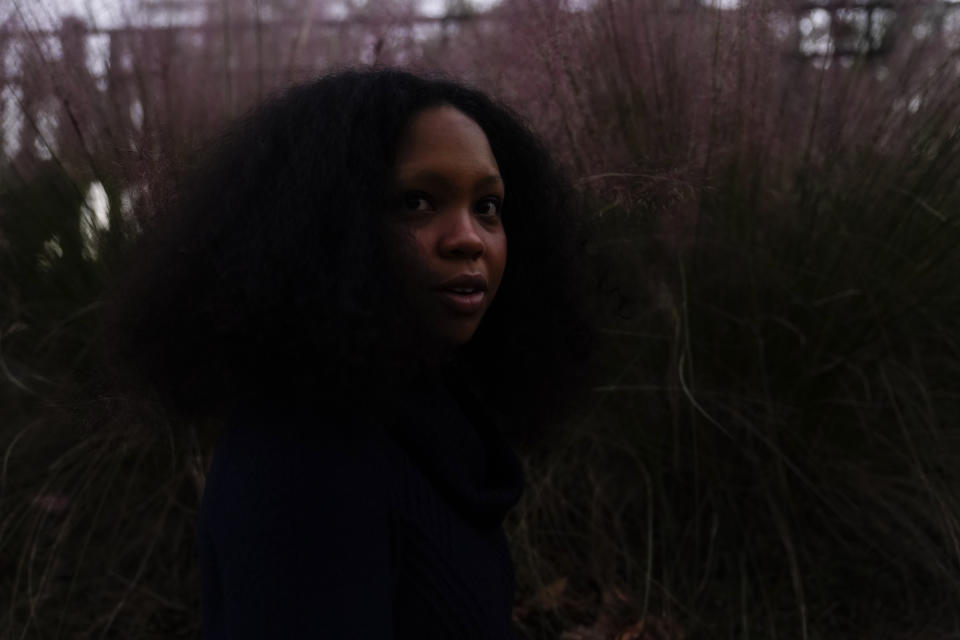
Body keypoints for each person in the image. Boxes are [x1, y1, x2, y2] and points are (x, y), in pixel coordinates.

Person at [105, 68, 593, 638]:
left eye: (488, 206)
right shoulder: (299, 458)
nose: (469, 237)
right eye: (416, 202)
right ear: (325, 229)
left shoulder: (435, 423)